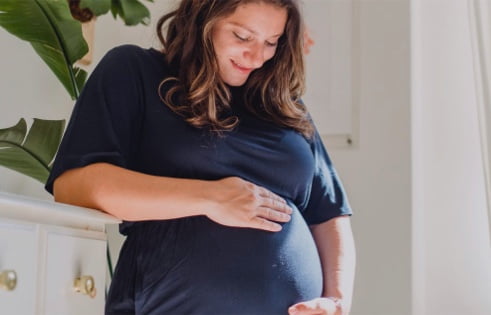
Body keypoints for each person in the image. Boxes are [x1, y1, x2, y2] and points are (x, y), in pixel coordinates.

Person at [46, 0, 356, 314]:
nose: (257, 55)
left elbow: (329, 212)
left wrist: (336, 300)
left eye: (270, 42)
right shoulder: (135, 71)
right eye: (243, 37)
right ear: (203, 17)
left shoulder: (285, 105)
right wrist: (210, 198)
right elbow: (74, 186)